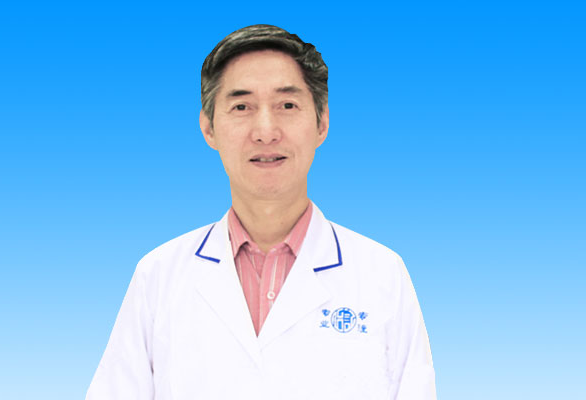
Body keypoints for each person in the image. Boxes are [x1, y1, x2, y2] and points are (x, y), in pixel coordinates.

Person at [86, 24, 436, 400]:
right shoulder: (158, 277)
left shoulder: (382, 275)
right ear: (208, 127)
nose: (266, 131)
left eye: (287, 105)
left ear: (322, 123)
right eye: (242, 107)